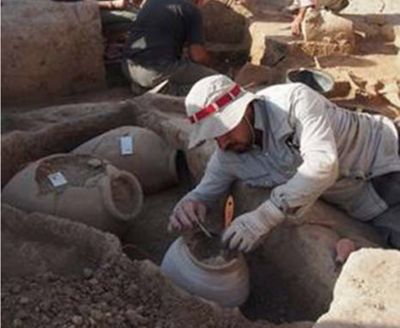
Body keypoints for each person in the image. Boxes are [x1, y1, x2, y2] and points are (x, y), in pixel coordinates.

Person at [169, 74, 400, 252]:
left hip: (388, 152)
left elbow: (322, 165)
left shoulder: (294, 101)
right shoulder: (229, 155)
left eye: (225, 129)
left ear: (246, 109)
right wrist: (190, 203)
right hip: (372, 203)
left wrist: (264, 217)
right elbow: (205, 192)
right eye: (213, 136)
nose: (222, 142)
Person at [122, 0, 217, 96]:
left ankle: (142, 87)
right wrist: (211, 64)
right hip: (154, 72)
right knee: (217, 82)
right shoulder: (191, 9)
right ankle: (165, 92)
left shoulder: (151, 2)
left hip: (128, 69)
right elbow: (198, 56)